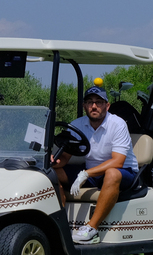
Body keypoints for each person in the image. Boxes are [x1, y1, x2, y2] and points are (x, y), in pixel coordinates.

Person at [53, 85, 139, 244]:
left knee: (112, 173)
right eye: (90, 102)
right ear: (84, 106)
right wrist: (52, 162)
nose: (94, 106)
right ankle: (60, 224)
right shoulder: (77, 125)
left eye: (99, 102)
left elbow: (118, 161)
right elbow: (64, 159)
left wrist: (86, 174)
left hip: (124, 173)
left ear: (107, 106)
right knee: (52, 174)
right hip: (93, 172)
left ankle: (91, 229)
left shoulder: (117, 124)